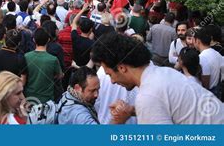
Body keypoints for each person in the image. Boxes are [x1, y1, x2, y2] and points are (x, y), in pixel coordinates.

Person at [91, 32, 224, 124]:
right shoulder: (164, 72)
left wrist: (117, 123)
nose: (112, 81)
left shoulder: (148, 96)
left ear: (121, 68)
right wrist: (132, 111)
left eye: (109, 75)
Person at [24, 28, 62, 104]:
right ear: (48, 40)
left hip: (29, 98)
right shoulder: (53, 59)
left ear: (34, 40)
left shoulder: (26, 56)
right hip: (47, 100)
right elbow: (60, 76)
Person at [194, 28, 223, 95]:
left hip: (208, 93)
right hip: (217, 91)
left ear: (197, 41)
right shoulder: (217, 54)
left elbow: (205, 83)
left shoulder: (202, 58)